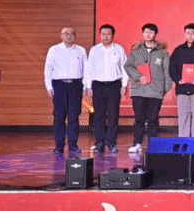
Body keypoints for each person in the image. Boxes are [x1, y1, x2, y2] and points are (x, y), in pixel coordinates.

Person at [123, 24, 172, 154]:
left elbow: (167, 71)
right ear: (143, 34)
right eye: (146, 32)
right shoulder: (136, 52)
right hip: (139, 90)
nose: (148, 34)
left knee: (153, 119)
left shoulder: (162, 53)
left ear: (155, 34)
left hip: (155, 91)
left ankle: (153, 144)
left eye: (151, 32)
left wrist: (165, 88)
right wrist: (138, 77)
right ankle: (137, 143)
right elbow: (128, 66)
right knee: (139, 119)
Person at [84, 24, 128, 153]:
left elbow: (125, 68)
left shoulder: (119, 49)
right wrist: (88, 86)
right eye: (103, 34)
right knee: (99, 115)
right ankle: (100, 142)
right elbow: (89, 69)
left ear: (113, 36)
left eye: (108, 34)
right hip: (98, 86)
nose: (105, 37)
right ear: (100, 35)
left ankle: (112, 143)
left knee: (113, 115)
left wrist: (124, 85)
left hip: (114, 85)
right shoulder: (95, 50)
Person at [44, 27, 87, 155]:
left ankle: (73, 145)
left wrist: (85, 86)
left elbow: (86, 70)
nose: (69, 36)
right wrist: (49, 87)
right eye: (66, 34)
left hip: (75, 85)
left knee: (74, 116)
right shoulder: (54, 50)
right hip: (59, 86)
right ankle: (59, 146)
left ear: (75, 36)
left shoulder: (81, 50)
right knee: (59, 116)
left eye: (72, 34)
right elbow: (48, 69)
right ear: (61, 36)